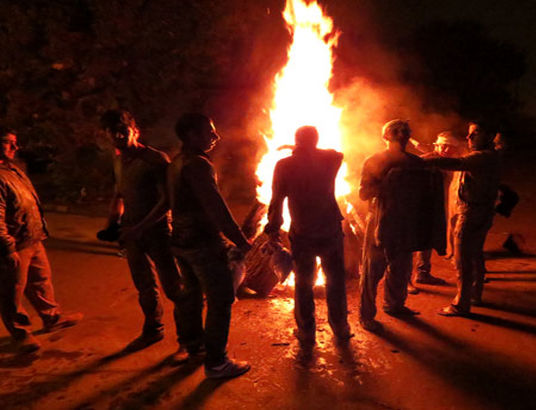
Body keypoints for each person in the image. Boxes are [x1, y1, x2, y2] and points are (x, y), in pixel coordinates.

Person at [100, 110, 199, 362]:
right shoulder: (119, 160)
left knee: (174, 288)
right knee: (144, 286)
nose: (119, 136)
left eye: (124, 130)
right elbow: (119, 194)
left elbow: (167, 201)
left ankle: (189, 341)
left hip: (157, 232)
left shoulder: (155, 159)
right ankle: (153, 329)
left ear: (136, 131)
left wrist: (141, 226)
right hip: (132, 232)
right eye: (113, 132)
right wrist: (113, 224)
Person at [168, 113, 252, 379]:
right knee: (221, 298)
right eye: (209, 132)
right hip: (202, 242)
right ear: (192, 134)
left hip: (181, 241)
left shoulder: (175, 163)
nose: (215, 136)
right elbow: (215, 206)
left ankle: (195, 347)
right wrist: (240, 240)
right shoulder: (199, 165)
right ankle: (217, 362)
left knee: (191, 295)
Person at [264, 126, 352, 347]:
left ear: (296, 141)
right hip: (330, 229)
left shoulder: (284, 165)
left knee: (304, 283)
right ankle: (340, 327)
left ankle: (306, 332)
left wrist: (273, 228)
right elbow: (337, 153)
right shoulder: (330, 161)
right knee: (335, 281)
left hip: (303, 232)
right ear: (316, 141)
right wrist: (303, 148)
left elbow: (276, 201)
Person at [0, 128, 82, 353]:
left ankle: (51, 317)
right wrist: (7, 247)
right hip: (14, 243)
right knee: (12, 289)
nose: (15, 148)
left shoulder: (12, 170)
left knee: (41, 280)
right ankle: (19, 332)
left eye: (15, 143)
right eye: (8, 143)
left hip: (32, 237)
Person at [359, 119, 442, 332]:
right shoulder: (374, 161)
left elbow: (426, 196)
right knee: (373, 269)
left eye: (405, 131)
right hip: (381, 220)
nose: (401, 134)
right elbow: (364, 193)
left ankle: (395, 305)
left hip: (406, 221)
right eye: (395, 131)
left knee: (401, 267)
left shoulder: (416, 162)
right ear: (385, 136)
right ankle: (366, 315)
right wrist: (388, 184)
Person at [427, 121, 501, 316]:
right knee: (475, 254)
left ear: (489, 136)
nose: (469, 138)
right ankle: (475, 294)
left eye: (474, 134)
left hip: (471, 213)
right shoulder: (489, 156)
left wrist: (423, 160)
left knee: (463, 259)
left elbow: (456, 163)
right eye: (469, 134)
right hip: (481, 211)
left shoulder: (482, 157)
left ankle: (461, 303)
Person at [414, 131, 467, 285]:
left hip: (445, 206)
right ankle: (413, 278)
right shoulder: (425, 161)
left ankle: (424, 272)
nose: (444, 150)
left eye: (448, 147)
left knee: (433, 239)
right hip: (424, 207)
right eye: (441, 146)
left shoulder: (455, 163)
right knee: (419, 240)